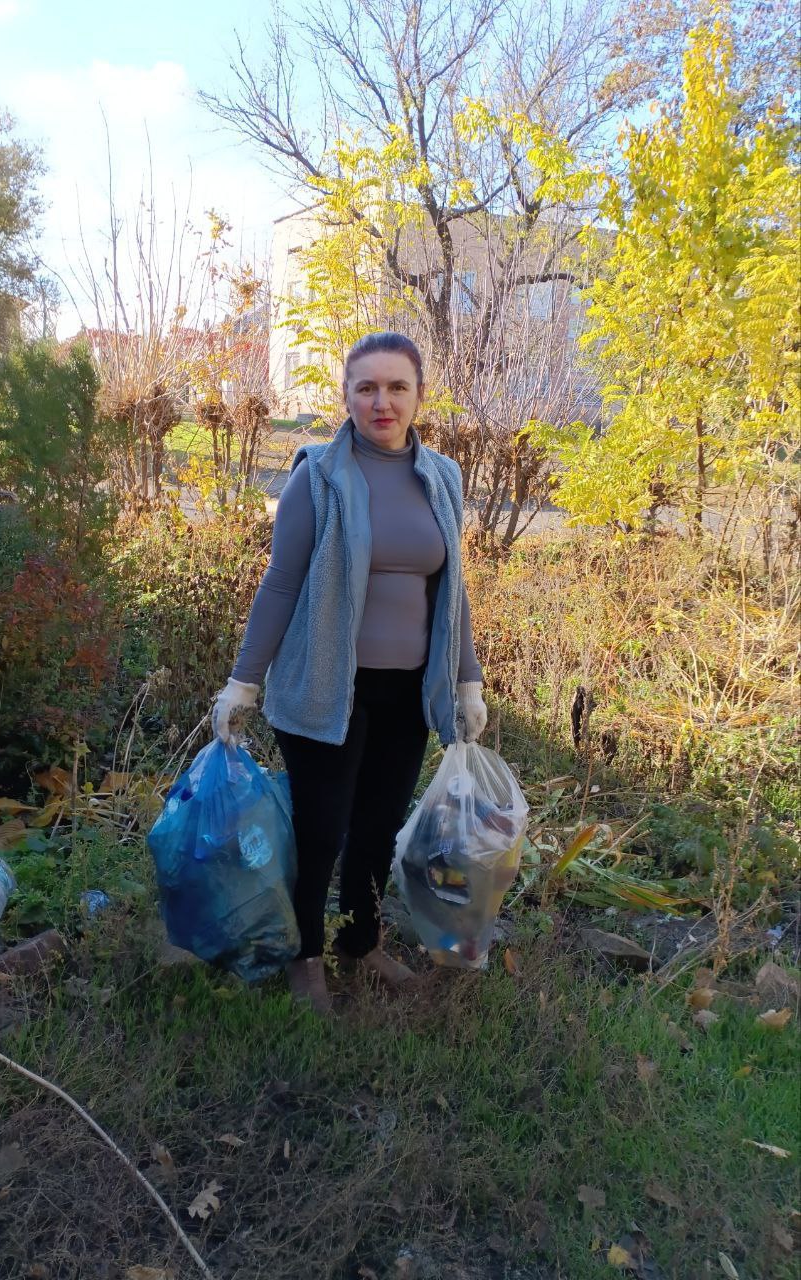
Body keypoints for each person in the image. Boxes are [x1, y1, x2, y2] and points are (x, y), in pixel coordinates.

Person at [211, 332, 487, 1014]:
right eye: (367, 387)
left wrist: (467, 680)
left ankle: (361, 944)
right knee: (322, 828)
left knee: (380, 826)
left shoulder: (442, 477)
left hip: (408, 691)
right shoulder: (319, 476)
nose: (382, 401)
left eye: (397, 387)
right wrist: (244, 681)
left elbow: (453, 591)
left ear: (420, 395)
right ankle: (305, 953)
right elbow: (280, 585)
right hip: (327, 686)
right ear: (347, 396)